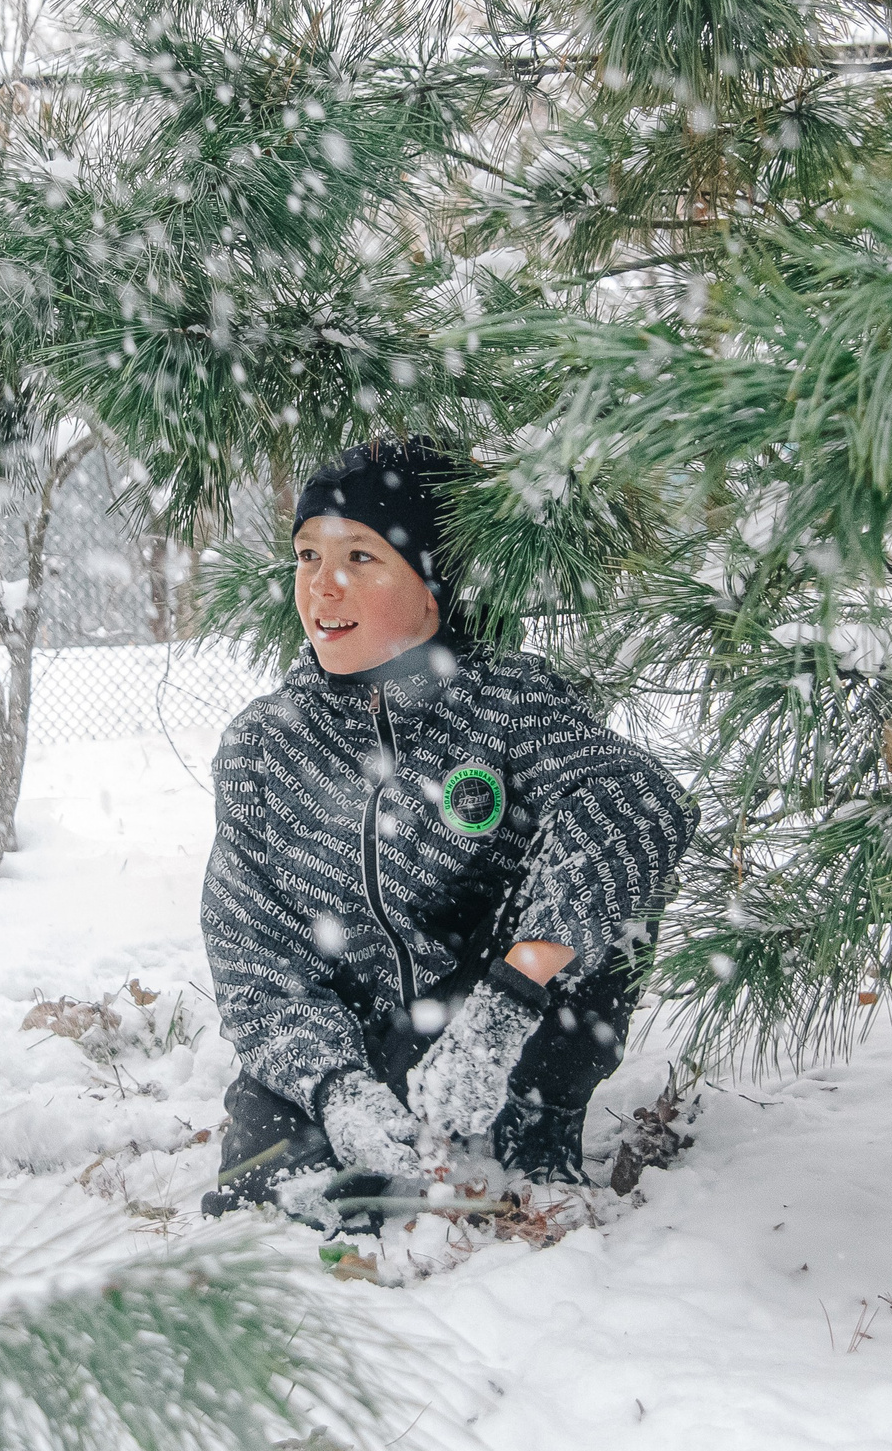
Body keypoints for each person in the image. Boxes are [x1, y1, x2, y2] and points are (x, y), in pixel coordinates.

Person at [197, 438, 696, 1220]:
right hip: (352, 1039)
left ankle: (535, 1123)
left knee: (606, 863)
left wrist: (508, 999)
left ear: (434, 584)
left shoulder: (510, 702)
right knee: (264, 1193)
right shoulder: (265, 746)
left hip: (492, 1019)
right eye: (306, 555)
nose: (323, 585)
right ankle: (364, 1135)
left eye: (361, 556)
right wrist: (337, 1088)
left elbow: (643, 806)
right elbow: (253, 957)